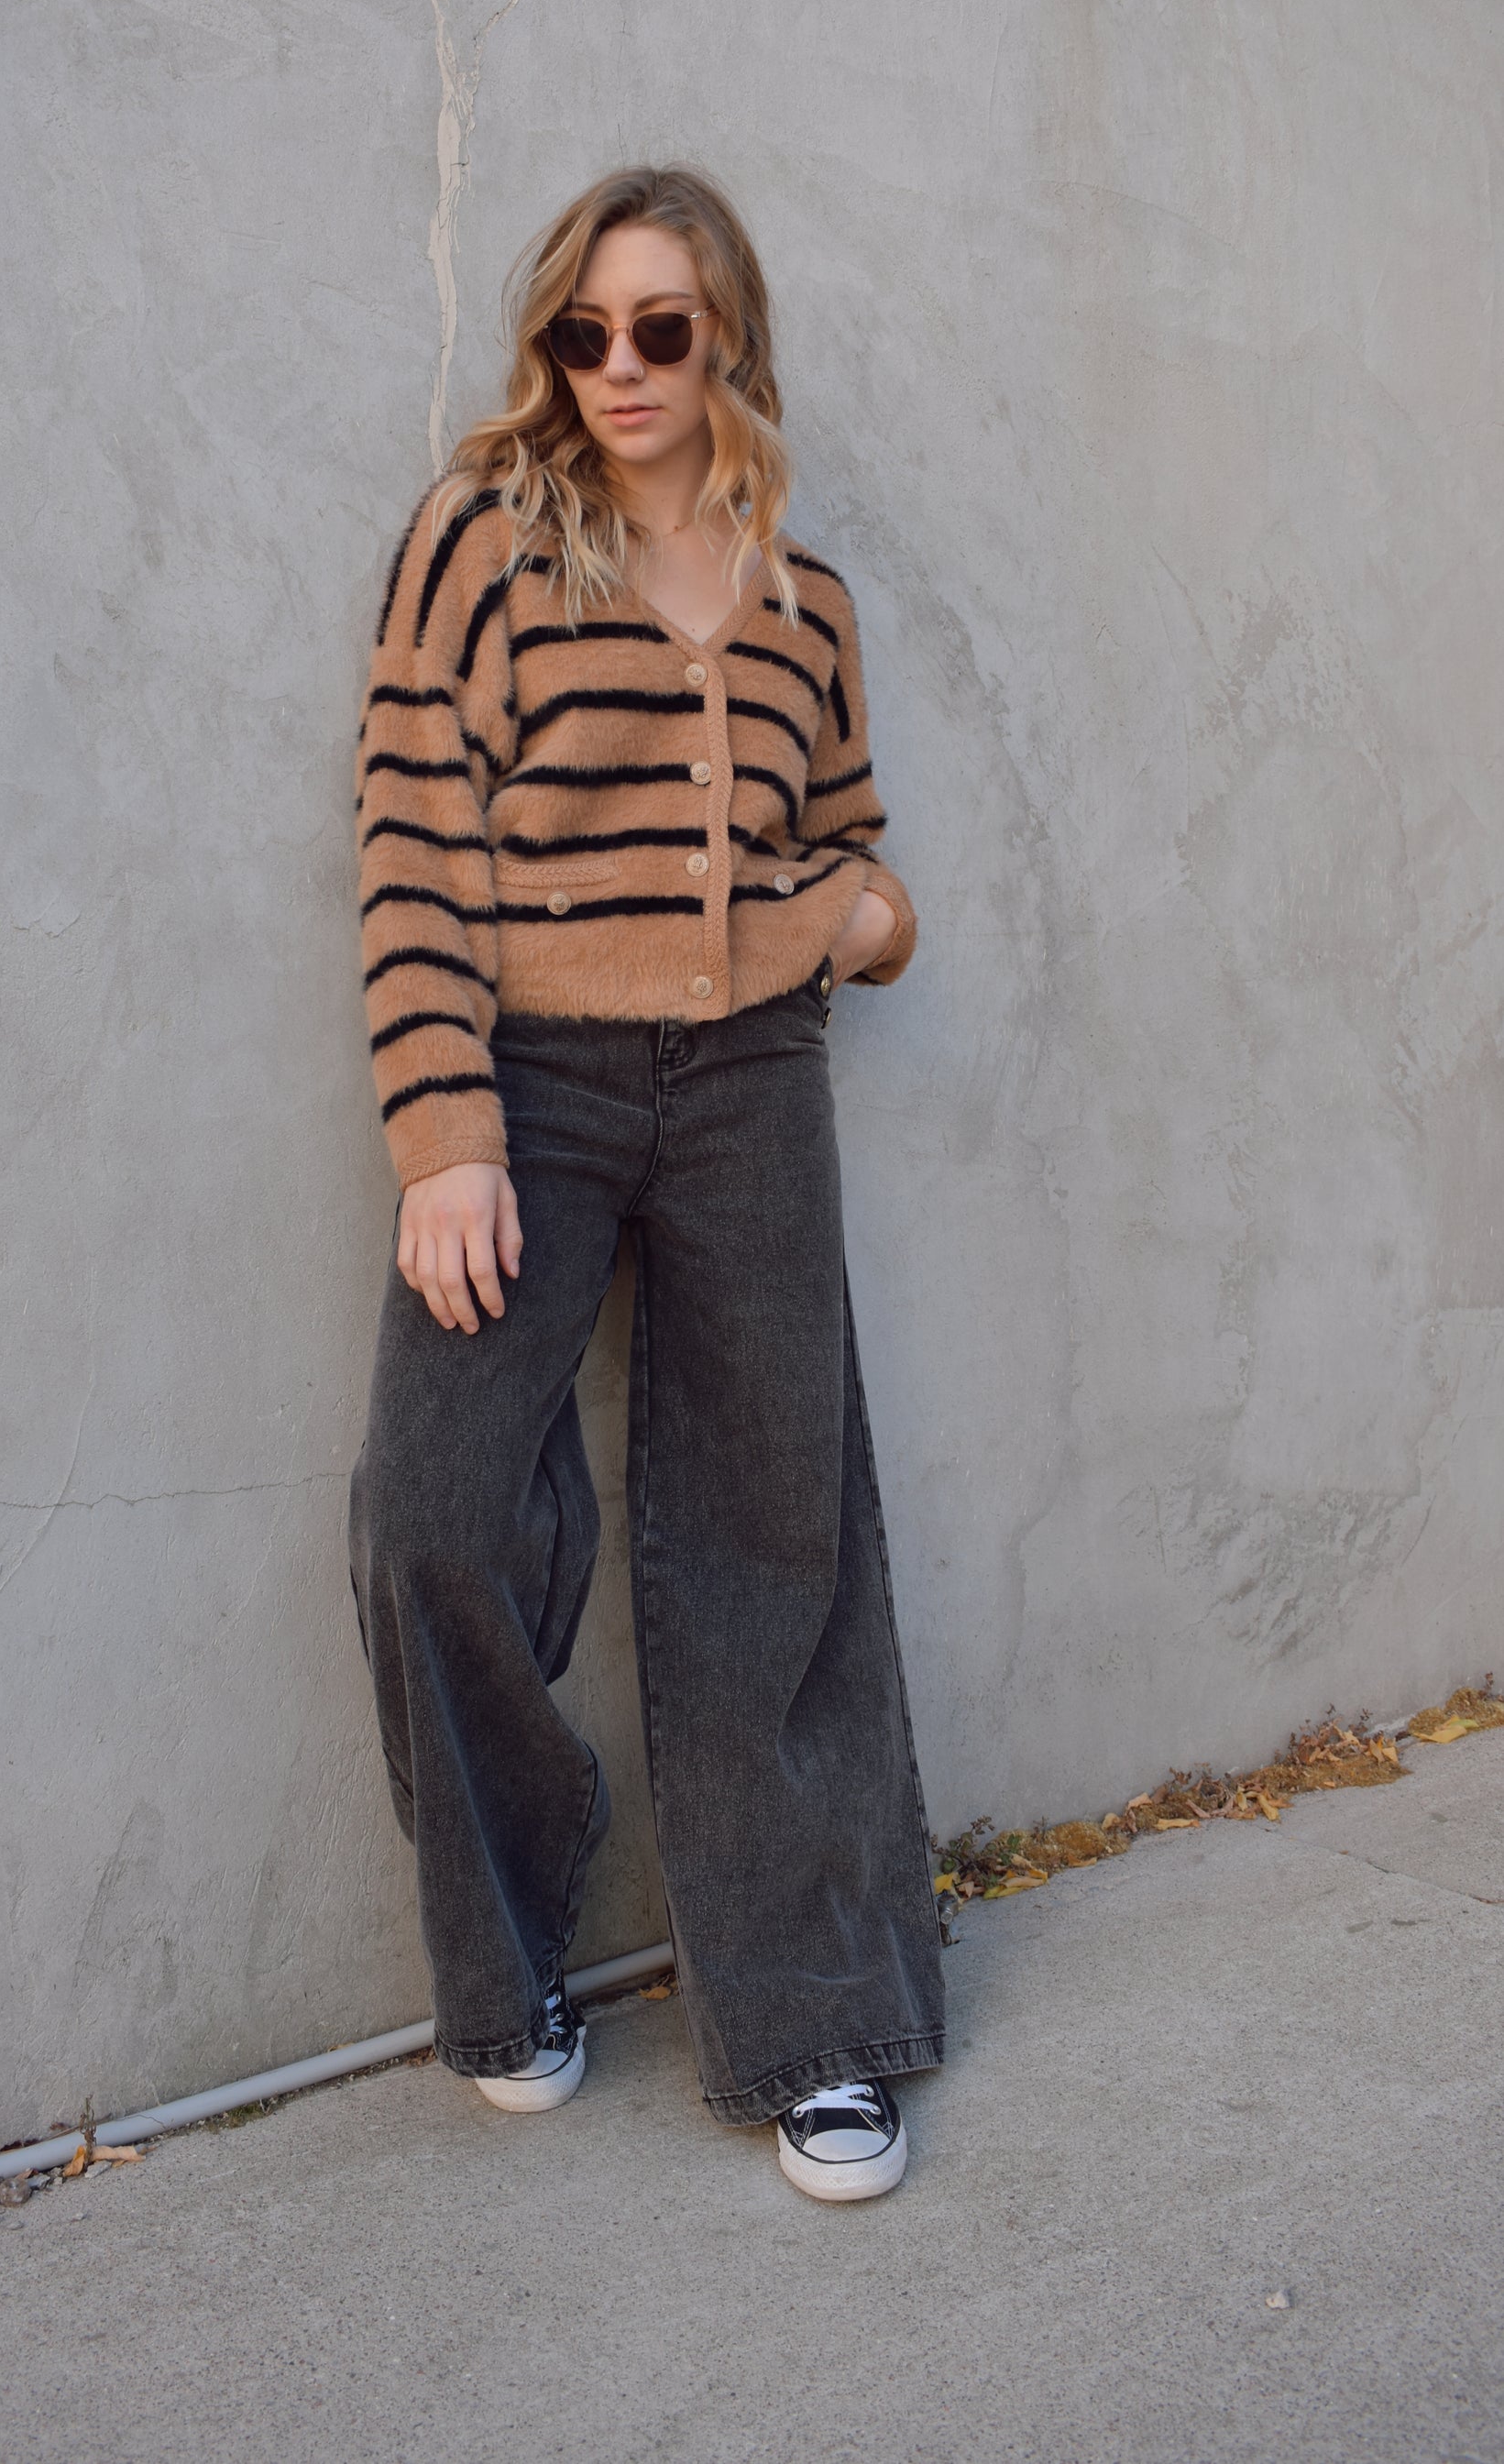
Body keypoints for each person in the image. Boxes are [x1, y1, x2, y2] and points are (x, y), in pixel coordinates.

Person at [348, 163, 944, 2203]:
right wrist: (445, 1132)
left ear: (725, 341)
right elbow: (416, 834)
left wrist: (866, 917)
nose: (618, 367)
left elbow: (854, 834)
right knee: (434, 1500)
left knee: (775, 1531)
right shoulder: (482, 539)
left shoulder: (807, 594)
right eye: (585, 330)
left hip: (757, 1078)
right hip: (533, 1072)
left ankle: (820, 2023)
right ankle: (512, 1952)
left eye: (661, 329)